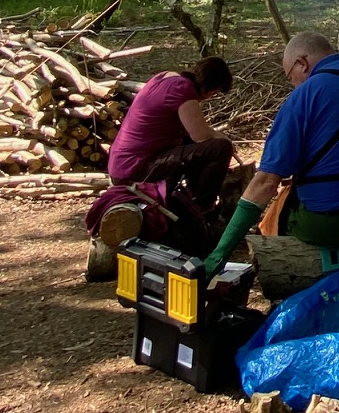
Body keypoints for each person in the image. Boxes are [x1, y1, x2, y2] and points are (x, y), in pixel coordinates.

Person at [201, 32, 339, 275]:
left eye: (290, 77)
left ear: (302, 63)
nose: (293, 84)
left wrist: (220, 252)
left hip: (331, 224)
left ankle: (293, 277)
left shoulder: (302, 98)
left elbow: (265, 183)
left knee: (280, 208)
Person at [85, 56, 235, 274]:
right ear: (209, 85)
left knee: (200, 147)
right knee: (220, 148)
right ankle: (204, 211)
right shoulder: (183, 89)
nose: (209, 98)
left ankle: (193, 207)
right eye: (214, 92)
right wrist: (225, 139)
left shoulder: (165, 78)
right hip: (137, 168)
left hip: (125, 163)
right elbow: (201, 135)